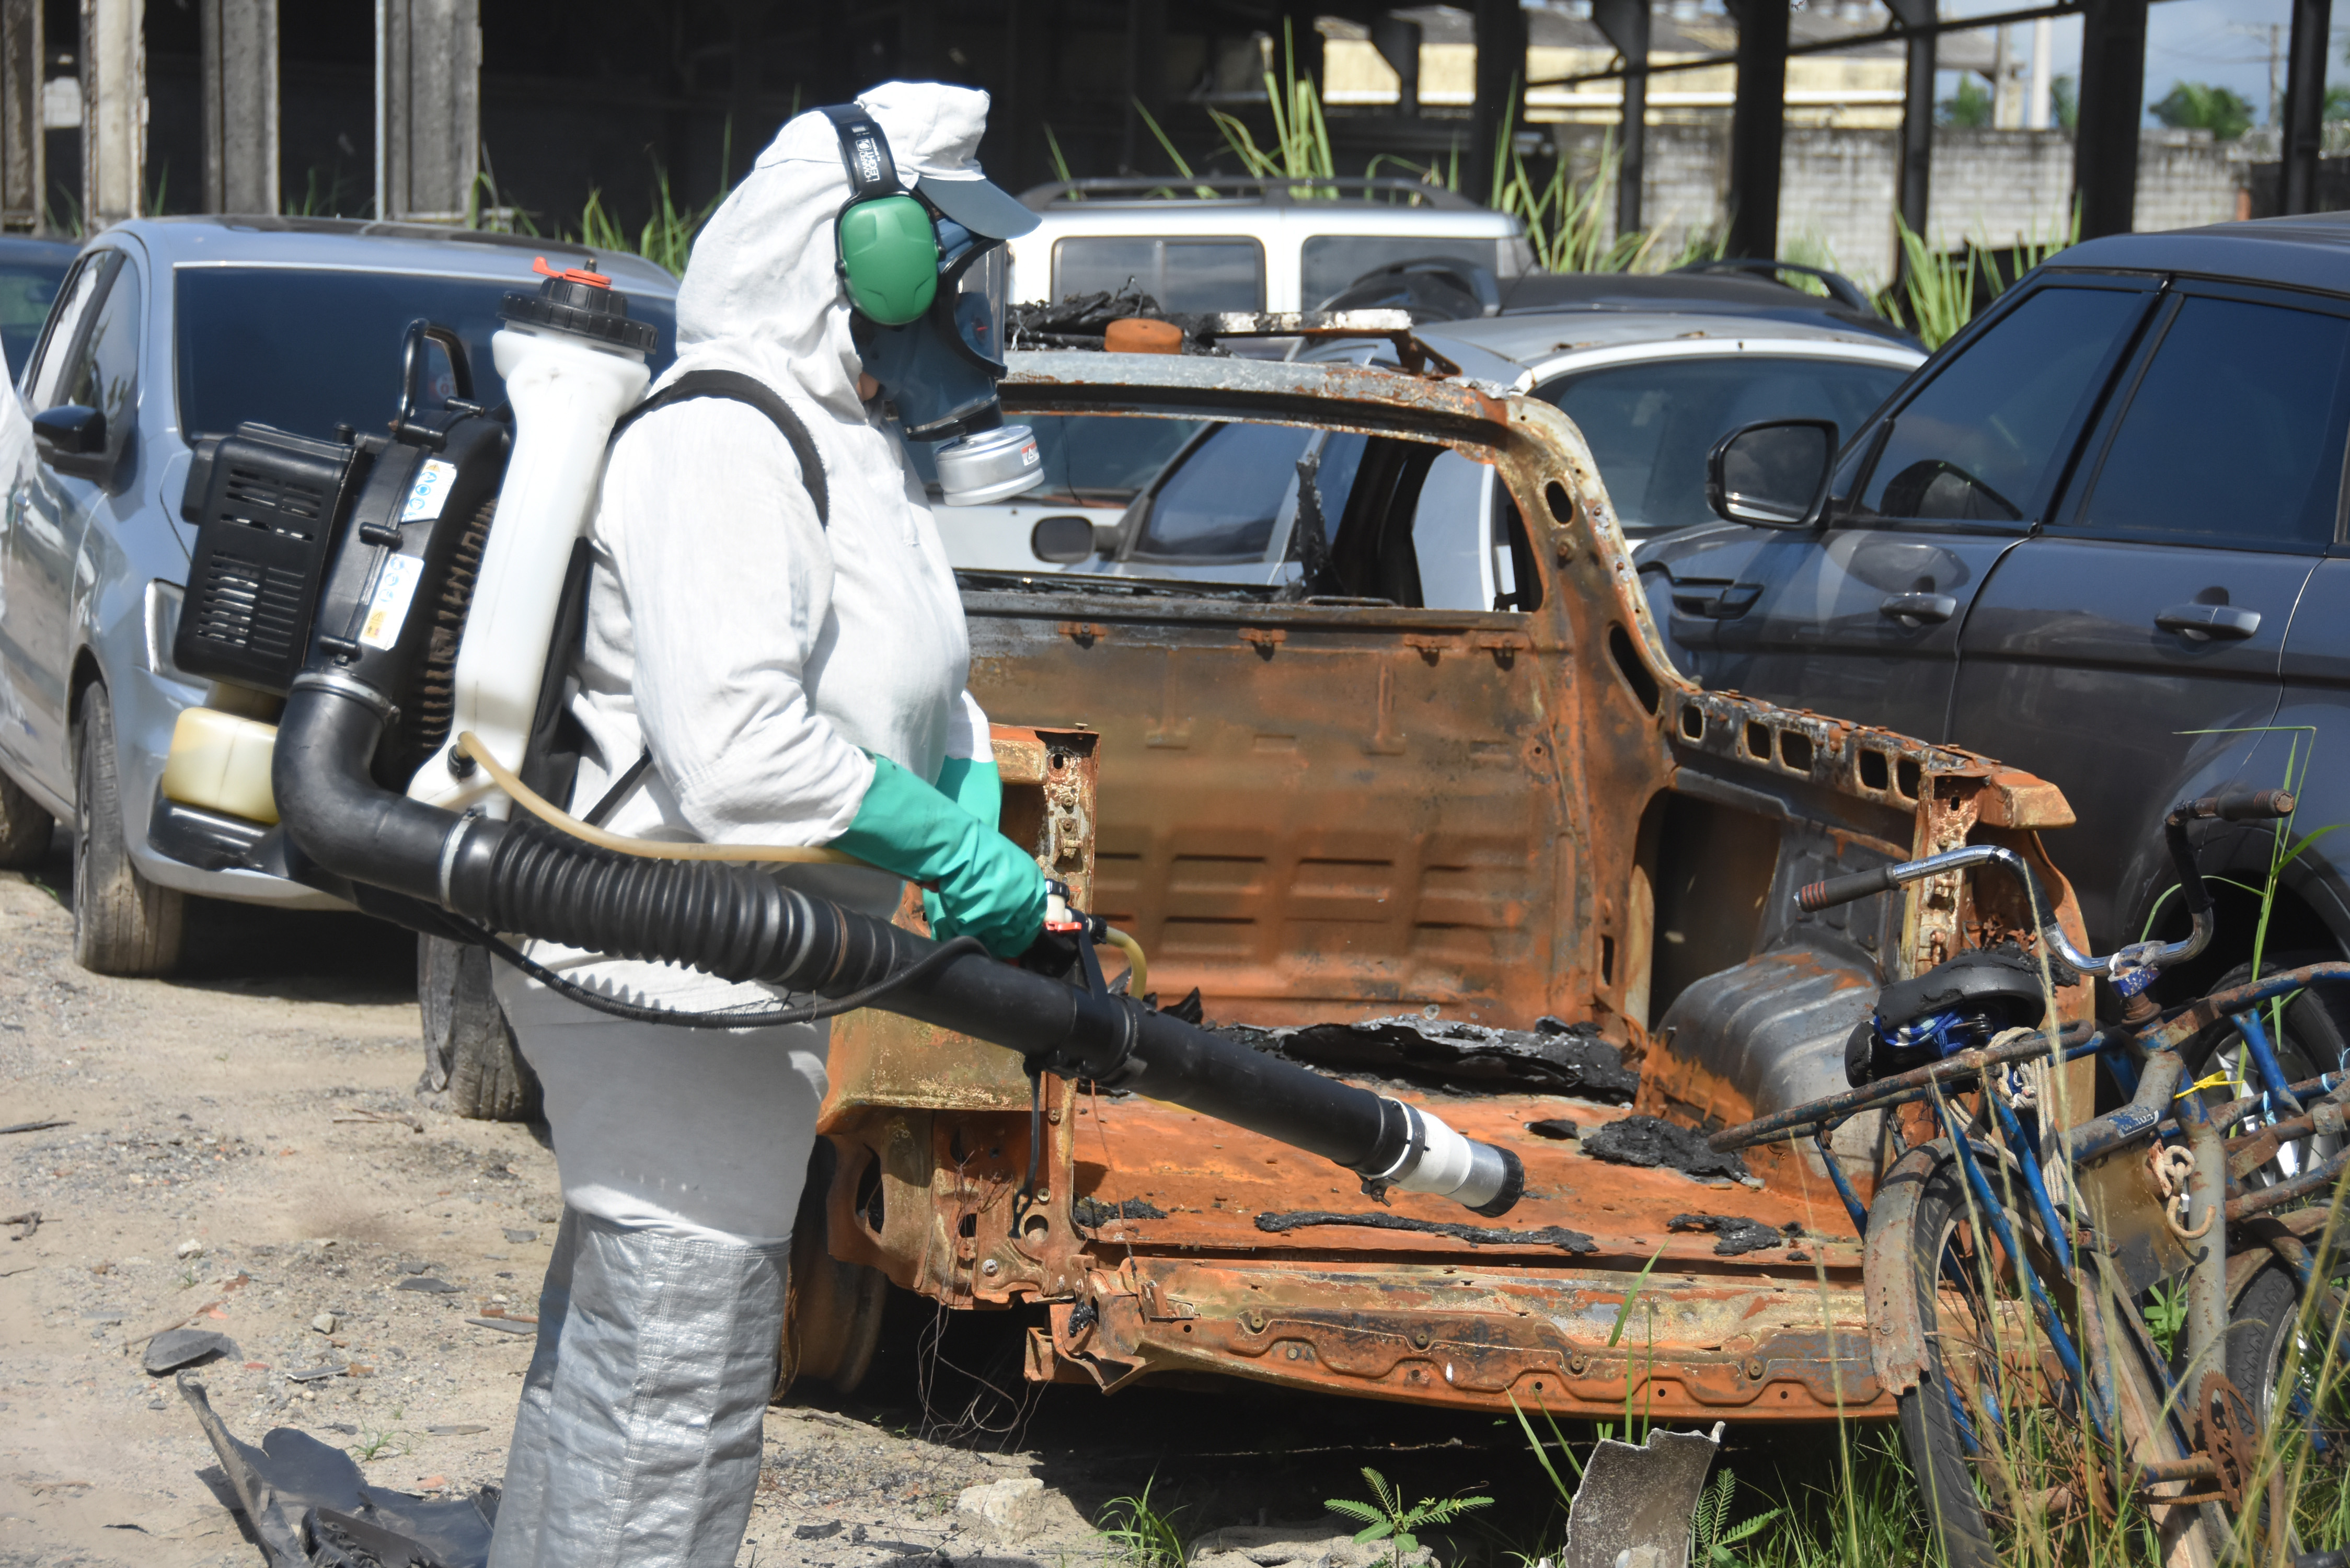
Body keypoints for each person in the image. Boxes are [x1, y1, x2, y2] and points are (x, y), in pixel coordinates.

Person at [485, 83, 1047, 1568]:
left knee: (622, 1360)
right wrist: (952, 847)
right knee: (674, 1384)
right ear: (867, 254)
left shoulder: (845, 441)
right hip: (661, 976)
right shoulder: (720, 438)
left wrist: (967, 781)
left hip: (749, 975)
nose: (973, 301)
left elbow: (892, 682)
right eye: (954, 260)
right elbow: (736, 751)